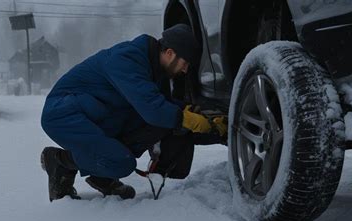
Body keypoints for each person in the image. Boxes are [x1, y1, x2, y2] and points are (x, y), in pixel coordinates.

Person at [40, 24, 227, 202]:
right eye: (185, 63)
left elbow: (161, 105)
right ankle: (60, 162)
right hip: (65, 114)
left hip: (99, 113)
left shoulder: (155, 69)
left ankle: (101, 175)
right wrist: (186, 118)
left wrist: (203, 119)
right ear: (169, 53)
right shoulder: (127, 59)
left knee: (156, 125)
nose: (185, 70)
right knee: (121, 163)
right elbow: (153, 109)